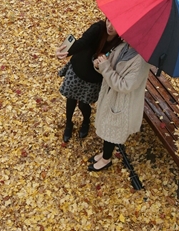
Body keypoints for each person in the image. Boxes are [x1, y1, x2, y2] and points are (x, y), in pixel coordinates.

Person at [88, 23, 151, 171]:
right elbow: (109, 64)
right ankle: (105, 153)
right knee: (107, 125)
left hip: (122, 101)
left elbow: (125, 86)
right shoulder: (124, 46)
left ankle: (106, 159)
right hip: (110, 94)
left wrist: (105, 68)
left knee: (112, 129)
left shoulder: (141, 61)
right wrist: (99, 64)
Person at [56, 19, 121, 143]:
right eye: (108, 21)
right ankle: (68, 123)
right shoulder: (98, 28)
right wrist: (65, 52)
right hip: (78, 70)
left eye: (115, 24)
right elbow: (82, 42)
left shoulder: (120, 43)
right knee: (70, 99)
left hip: (94, 78)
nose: (110, 27)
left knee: (84, 104)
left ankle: (86, 121)